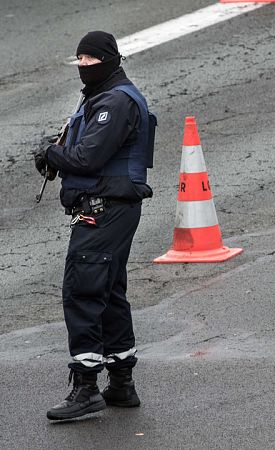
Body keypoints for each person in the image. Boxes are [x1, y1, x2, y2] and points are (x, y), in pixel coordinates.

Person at [34, 31, 156, 421]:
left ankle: (85, 388)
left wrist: (52, 153)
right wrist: (58, 156)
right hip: (110, 208)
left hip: (106, 210)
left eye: (90, 59)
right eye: (80, 60)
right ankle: (121, 382)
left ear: (109, 60)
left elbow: (88, 158)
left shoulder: (115, 102)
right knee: (108, 291)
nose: (84, 66)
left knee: (84, 290)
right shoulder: (101, 98)